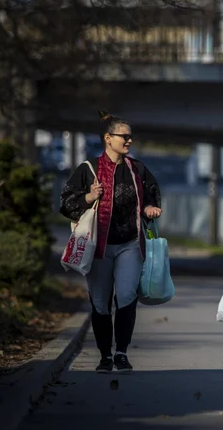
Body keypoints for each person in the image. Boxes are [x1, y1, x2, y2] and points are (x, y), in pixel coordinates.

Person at [60, 111, 162, 374]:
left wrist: (150, 208)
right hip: (98, 247)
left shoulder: (138, 169)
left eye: (130, 137)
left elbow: (152, 195)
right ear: (108, 138)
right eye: (124, 137)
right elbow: (65, 204)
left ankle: (121, 353)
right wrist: (89, 197)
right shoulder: (88, 170)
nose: (129, 141)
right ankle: (105, 355)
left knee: (127, 296)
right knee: (101, 301)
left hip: (130, 244)